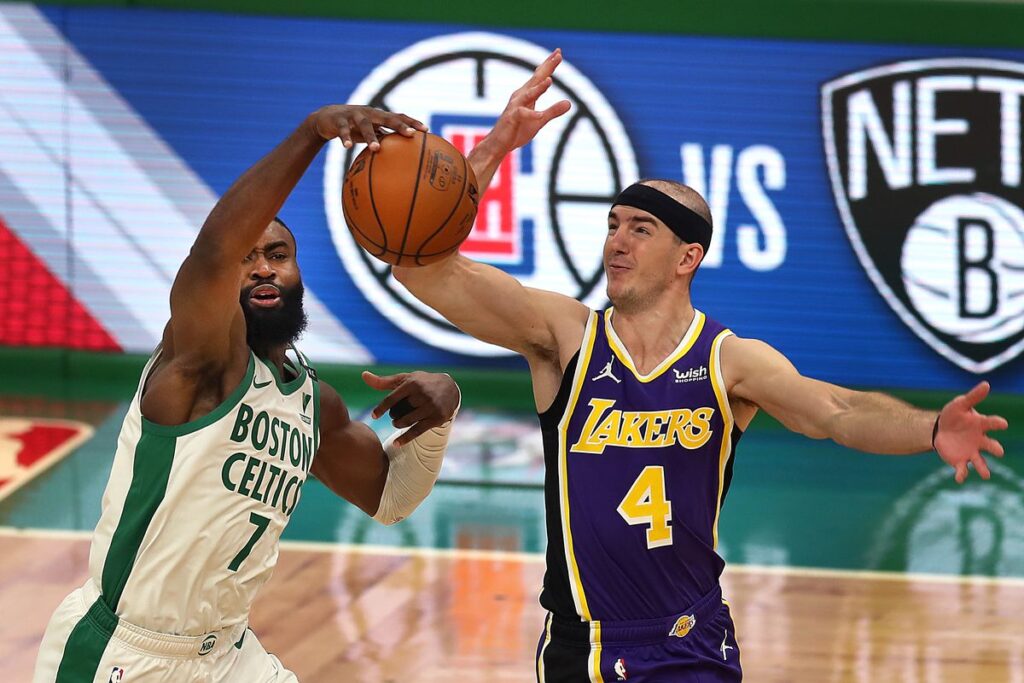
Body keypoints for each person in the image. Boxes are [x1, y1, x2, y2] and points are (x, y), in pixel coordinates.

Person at [392, 50, 1010, 682]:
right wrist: (494, 147)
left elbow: (837, 412)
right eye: (613, 225)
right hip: (581, 647)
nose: (616, 242)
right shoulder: (565, 336)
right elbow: (422, 266)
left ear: (687, 257)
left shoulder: (727, 360)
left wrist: (931, 427)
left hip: (689, 644)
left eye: (640, 229)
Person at [33, 106, 461, 682]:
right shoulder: (200, 364)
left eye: (277, 256)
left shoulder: (312, 403)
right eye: (247, 259)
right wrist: (311, 133)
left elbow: (393, 499)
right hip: (127, 653)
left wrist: (441, 412)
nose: (262, 269)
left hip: (231, 655)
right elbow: (213, 251)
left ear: (299, 273)